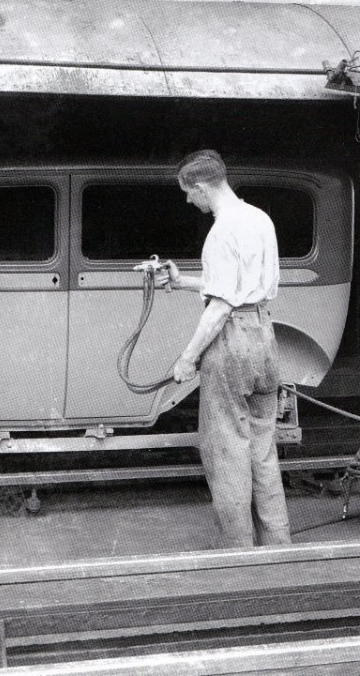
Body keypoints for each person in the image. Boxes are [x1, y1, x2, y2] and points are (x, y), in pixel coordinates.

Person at [156, 149, 291, 548]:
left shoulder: (220, 233)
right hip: (264, 337)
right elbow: (239, 286)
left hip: (232, 342)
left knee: (227, 451)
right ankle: (278, 547)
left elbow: (221, 307)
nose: (188, 200)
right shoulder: (259, 218)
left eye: (188, 192)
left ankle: (238, 553)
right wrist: (182, 281)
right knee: (263, 451)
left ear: (201, 187)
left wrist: (188, 358)